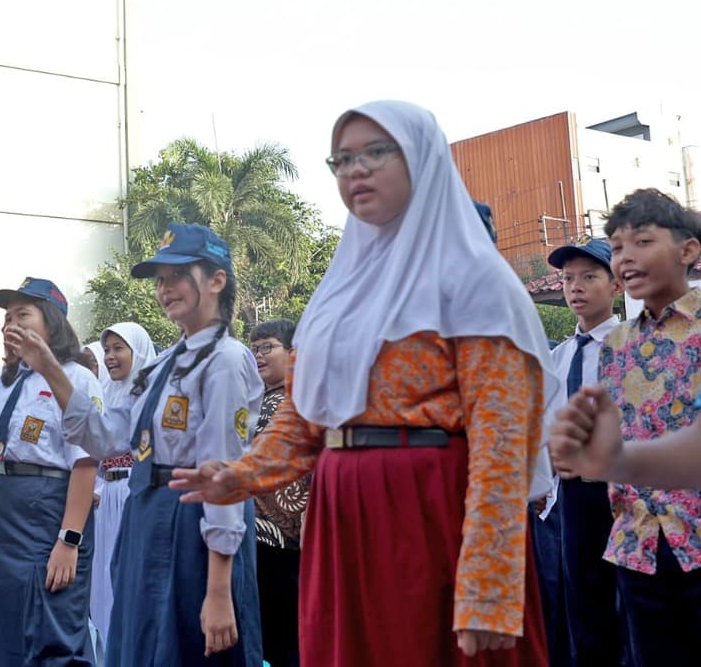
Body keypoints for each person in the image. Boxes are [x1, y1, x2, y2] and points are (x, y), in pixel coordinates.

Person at [169, 102, 555, 666]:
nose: (356, 170)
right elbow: (305, 417)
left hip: (429, 510)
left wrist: (489, 582)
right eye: (343, 159)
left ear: (423, 160)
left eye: (376, 152)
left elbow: (502, 442)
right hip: (340, 514)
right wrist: (241, 475)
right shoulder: (339, 290)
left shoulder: (474, 280)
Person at [50, 228, 265, 665]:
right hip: (147, 514)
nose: (165, 289)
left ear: (217, 280)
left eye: (178, 275)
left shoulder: (225, 359)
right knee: (142, 644)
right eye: (160, 279)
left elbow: (224, 475)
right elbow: (105, 437)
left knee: (191, 645)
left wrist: (220, 589)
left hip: (195, 522)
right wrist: (51, 371)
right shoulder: (162, 363)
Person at [548, 188, 701, 666]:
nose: (626, 258)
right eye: (616, 248)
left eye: (641, 242)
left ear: (687, 250)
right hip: (636, 539)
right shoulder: (618, 345)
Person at [0, 278, 100, 666]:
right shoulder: (2, 385)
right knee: (5, 627)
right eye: (7, 318)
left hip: (50, 513)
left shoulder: (76, 378)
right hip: (6, 517)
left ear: (53, 323)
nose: (10, 324)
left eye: (22, 314)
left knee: (52, 629)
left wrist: (69, 540)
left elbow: (86, 460)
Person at [541, 239, 624, 667]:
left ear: (615, 286)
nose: (576, 287)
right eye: (568, 278)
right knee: (583, 605)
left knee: (629, 602)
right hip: (573, 496)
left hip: (624, 493)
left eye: (589, 277)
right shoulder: (558, 357)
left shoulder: (631, 349)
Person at [88, 321, 156, 650]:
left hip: (136, 494)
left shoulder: (150, 398)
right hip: (107, 501)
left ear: (138, 352)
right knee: (104, 582)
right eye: (107, 350)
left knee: (132, 581)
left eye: (118, 349)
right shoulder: (107, 393)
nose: (110, 357)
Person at [247, 318, 308, 667]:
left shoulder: (301, 399)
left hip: (289, 540)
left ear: (293, 352)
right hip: (255, 535)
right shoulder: (257, 400)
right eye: (255, 348)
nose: (258, 355)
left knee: (288, 638)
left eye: (267, 347)